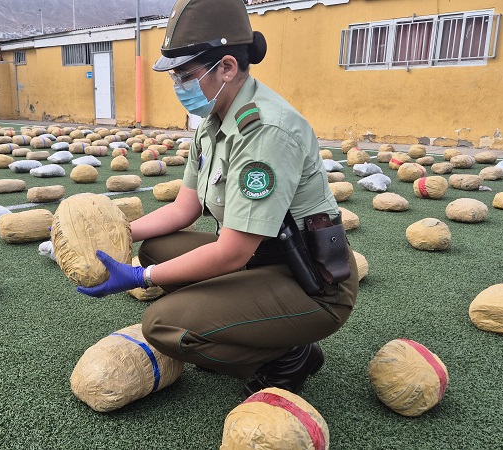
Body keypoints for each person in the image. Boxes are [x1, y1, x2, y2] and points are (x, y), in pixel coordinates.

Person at [77, 0, 358, 399]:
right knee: (156, 249)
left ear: (226, 67)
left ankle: (288, 356)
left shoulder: (265, 132)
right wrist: (112, 234)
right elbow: (184, 209)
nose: (178, 86)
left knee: (161, 324)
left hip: (311, 282)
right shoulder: (213, 123)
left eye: (185, 75)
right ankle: (241, 328)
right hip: (261, 259)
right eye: (174, 76)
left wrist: (141, 278)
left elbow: (231, 253)